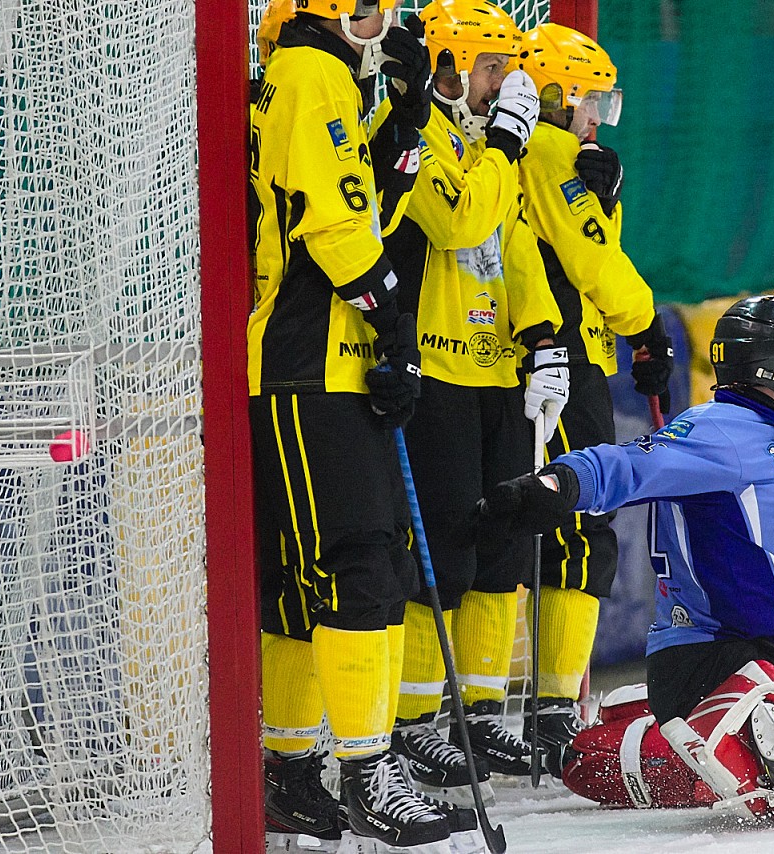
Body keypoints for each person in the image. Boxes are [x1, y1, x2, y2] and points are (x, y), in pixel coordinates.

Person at [479, 296, 774, 824]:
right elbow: (629, 465)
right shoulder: (720, 433)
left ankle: (679, 737)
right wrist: (559, 483)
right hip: (725, 657)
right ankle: (695, 735)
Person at [249, 1, 456, 851]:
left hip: (326, 361)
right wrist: (394, 324)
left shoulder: (325, 77)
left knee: (332, 574)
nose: (384, 19)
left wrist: (404, 125)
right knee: (356, 565)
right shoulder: (312, 73)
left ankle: (294, 768)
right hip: (309, 362)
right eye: (370, 8)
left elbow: (368, 204)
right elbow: (333, 229)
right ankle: (366, 769)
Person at [382, 0, 567, 798]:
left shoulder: (490, 145)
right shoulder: (419, 131)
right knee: (445, 553)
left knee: (500, 547)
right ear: (451, 66)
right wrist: (504, 147)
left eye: (505, 67)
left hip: (496, 371)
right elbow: (461, 221)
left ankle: (481, 704)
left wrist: (546, 337)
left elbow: (515, 241)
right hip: (438, 370)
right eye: (491, 66)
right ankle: (419, 722)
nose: (501, 83)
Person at [512, 23, 674, 776]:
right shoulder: (548, 154)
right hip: (559, 361)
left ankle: (517, 708)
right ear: (555, 93)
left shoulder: (538, 154)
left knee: (541, 525)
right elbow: (594, 265)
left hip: (531, 357)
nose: (597, 119)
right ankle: (548, 710)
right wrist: (648, 327)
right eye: (592, 102)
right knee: (580, 525)